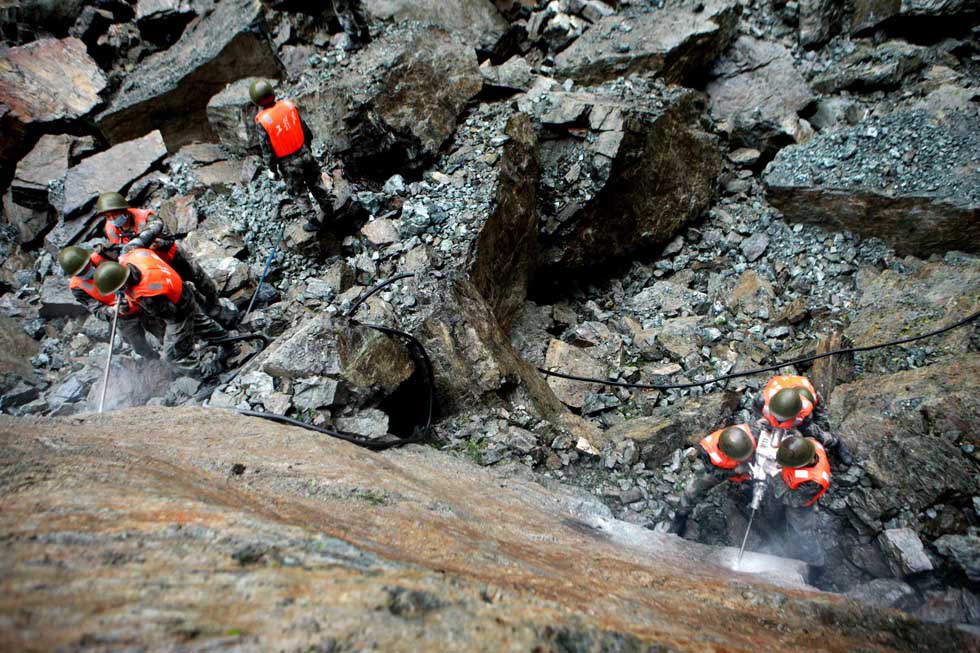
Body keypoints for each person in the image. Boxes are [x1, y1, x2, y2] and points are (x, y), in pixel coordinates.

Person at [93, 249, 229, 378]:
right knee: (200, 321)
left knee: (173, 355)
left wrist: (177, 340)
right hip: (181, 289)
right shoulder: (132, 254)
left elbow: (172, 317)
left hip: (177, 308)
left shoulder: (146, 297)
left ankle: (209, 375)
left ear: (121, 285)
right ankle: (229, 343)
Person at [92, 191, 223, 318]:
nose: (112, 219)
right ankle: (198, 310)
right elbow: (122, 254)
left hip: (171, 257)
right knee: (179, 289)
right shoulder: (110, 229)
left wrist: (159, 243)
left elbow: (170, 239)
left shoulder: (146, 219)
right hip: (152, 268)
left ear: (123, 210)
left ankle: (215, 303)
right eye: (108, 217)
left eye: (114, 215)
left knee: (197, 276)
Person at [249, 79, 335, 232]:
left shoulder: (264, 121)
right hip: (304, 152)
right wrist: (307, 148)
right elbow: (305, 130)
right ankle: (328, 209)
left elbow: (267, 150)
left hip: (288, 163)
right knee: (316, 182)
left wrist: (272, 169)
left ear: (256, 101)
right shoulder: (288, 106)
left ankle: (313, 220)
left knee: (298, 192)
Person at [57, 245, 157, 360]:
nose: (86, 271)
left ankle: (176, 355)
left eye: (86, 267)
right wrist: (112, 310)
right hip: (122, 316)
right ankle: (155, 360)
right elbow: (95, 308)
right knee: (139, 347)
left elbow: (132, 261)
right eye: (81, 272)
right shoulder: (77, 287)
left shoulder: (103, 255)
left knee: (163, 331)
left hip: (141, 301)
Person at [754, 374, 852, 464]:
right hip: (784, 384)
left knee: (816, 431)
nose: (779, 418)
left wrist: (795, 432)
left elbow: (804, 425)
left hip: (806, 393)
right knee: (762, 427)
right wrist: (766, 422)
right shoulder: (761, 400)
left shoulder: (805, 408)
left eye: (783, 418)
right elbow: (759, 414)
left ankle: (835, 442)